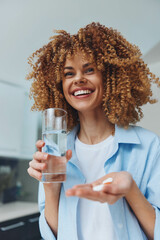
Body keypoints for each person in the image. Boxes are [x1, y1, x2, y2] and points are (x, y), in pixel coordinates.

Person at [27, 22, 160, 240]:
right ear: (60, 86)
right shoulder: (55, 152)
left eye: (89, 70)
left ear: (110, 77)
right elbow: (53, 235)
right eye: (69, 74)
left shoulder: (149, 146)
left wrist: (130, 190)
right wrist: (51, 190)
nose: (78, 79)